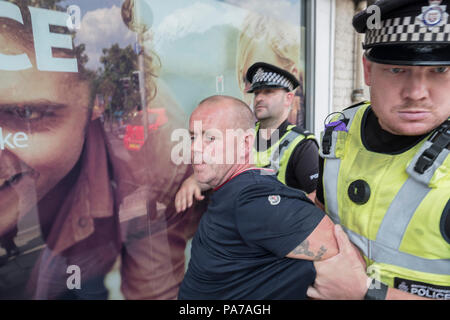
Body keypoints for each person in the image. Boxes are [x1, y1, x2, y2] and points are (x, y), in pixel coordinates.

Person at [0, 1, 199, 299]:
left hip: (93, 247)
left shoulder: (156, 154)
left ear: (96, 103)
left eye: (27, 113)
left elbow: (153, 287)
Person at [310, 0, 450, 300]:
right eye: (397, 69)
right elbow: (321, 209)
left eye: (440, 69)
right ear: (368, 70)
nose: (416, 92)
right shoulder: (339, 131)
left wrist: (367, 292)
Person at [178, 95, 338, 299]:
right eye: (193, 137)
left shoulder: (252, 199)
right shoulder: (232, 189)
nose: (194, 147)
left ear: (245, 142)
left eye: (210, 138)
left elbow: (337, 250)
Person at [174, 62, 319, 213]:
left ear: (288, 98)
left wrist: (283, 219)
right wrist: (194, 182)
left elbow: (318, 198)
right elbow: (223, 169)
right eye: (256, 93)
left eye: (268, 92)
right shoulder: (240, 134)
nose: (259, 98)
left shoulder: (301, 145)